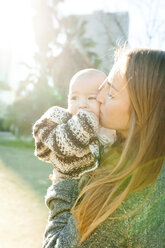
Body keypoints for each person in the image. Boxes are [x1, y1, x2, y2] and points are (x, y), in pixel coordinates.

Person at [34, 48, 165, 248]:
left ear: (142, 112)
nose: (99, 98)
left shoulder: (120, 197)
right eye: (103, 87)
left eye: (110, 93)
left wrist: (64, 178)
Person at [33, 69, 116, 181]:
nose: (81, 105)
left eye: (91, 98)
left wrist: (107, 136)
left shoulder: (108, 125)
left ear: (103, 100)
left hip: (93, 186)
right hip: (65, 184)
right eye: (74, 98)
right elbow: (57, 143)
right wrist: (85, 123)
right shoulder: (59, 117)